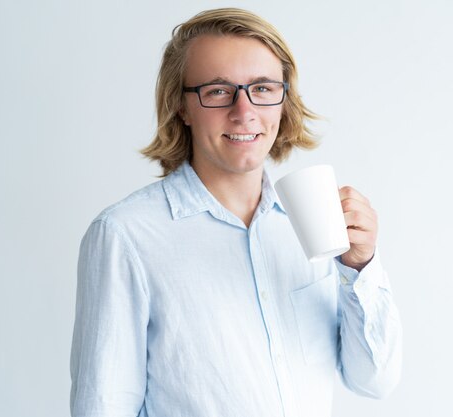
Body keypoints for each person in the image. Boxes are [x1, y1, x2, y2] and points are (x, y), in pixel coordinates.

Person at [70, 7, 402, 417]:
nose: (244, 112)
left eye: (262, 89)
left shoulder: (313, 227)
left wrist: (359, 267)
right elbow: (102, 407)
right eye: (217, 90)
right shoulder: (126, 235)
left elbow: (372, 380)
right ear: (182, 106)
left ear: (284, 100)